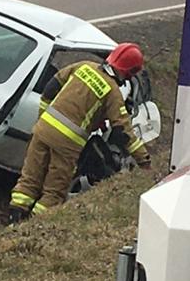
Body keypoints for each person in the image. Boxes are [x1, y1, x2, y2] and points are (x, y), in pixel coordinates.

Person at [9, 43, 150, 219]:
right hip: (67, 144)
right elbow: (123, 130)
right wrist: (144, 160)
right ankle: (35, 226)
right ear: (129, 73)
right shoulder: (113, 92)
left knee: (30, 178)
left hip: (42, 130)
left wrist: (43, 117)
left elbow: (51, 88)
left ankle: (14, 218)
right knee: (54, 190)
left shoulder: (83, 66)